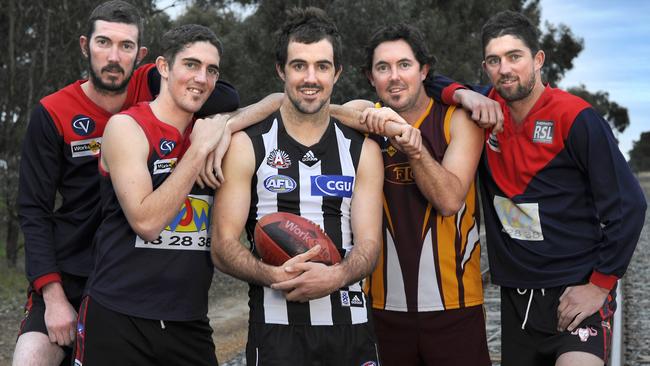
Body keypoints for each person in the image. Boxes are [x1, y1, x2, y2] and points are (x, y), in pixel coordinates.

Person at [13, 2, 238, 365]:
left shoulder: (152, 86)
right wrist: (53, 297)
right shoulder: (52, 111)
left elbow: (221, 93)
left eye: (126, 46)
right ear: (86, 46)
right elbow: (33, 212)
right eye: (104, 43)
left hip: (128, 269)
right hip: (71, 273)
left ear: (144, 56)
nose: (114, 57)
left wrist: (221, 126)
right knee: (30, 360)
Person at [440, 10, 646, 366]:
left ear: (537, 60)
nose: (504, 68)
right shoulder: (486, 110)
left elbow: (629, 206)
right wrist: (463, 95)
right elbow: (428, 81)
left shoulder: (576, 118)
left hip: (575, 290)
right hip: (516, 297)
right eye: (494, 60)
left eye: (515, 56)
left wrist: (599, 285)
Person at [211, 7, 384, 365]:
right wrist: (273, 275)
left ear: (337, 73)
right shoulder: (248, 145)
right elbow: (223, 246)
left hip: (349, 324)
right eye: (299, 65)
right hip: (276, 331)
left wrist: (335, 277)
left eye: (322, 66)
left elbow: (369, 245)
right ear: (281, 70)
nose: (311, 77)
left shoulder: (362, 149)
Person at [329, 24, 491, 366]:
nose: (394, 77)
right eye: (382, 68)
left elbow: (449, 201)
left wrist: (415, 151)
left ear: (424, 71)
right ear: (371, 78)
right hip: (381, 309)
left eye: (404, 65)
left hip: (455, 306)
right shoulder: (366, 118)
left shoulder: (458, 120)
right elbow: (320, 109)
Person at [72, 24, 231, 365]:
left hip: (188, 320)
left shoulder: (211, 129)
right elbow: (146, 222)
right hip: (118, 315)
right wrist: (198, 150)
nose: (202, 78)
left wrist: (225, 124)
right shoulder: (126, 127)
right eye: (191, 65)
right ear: (162, 67)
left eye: (211, 70)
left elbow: (277, 103)